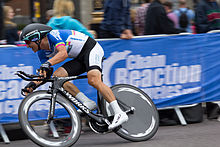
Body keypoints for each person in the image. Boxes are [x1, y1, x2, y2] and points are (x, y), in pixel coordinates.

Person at [19, 23, 128, 130]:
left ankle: (119, 113)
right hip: (79, 57)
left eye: (28, 42)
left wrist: (48, 63)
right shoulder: (41, 53)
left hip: (91, 49)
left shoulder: (53, 36)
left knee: (93, 80)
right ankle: (87, 102)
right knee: (58, 77)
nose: (27, 46)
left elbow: (63, 53)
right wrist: (33, 84)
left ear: (37, 39)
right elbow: (46, 73)